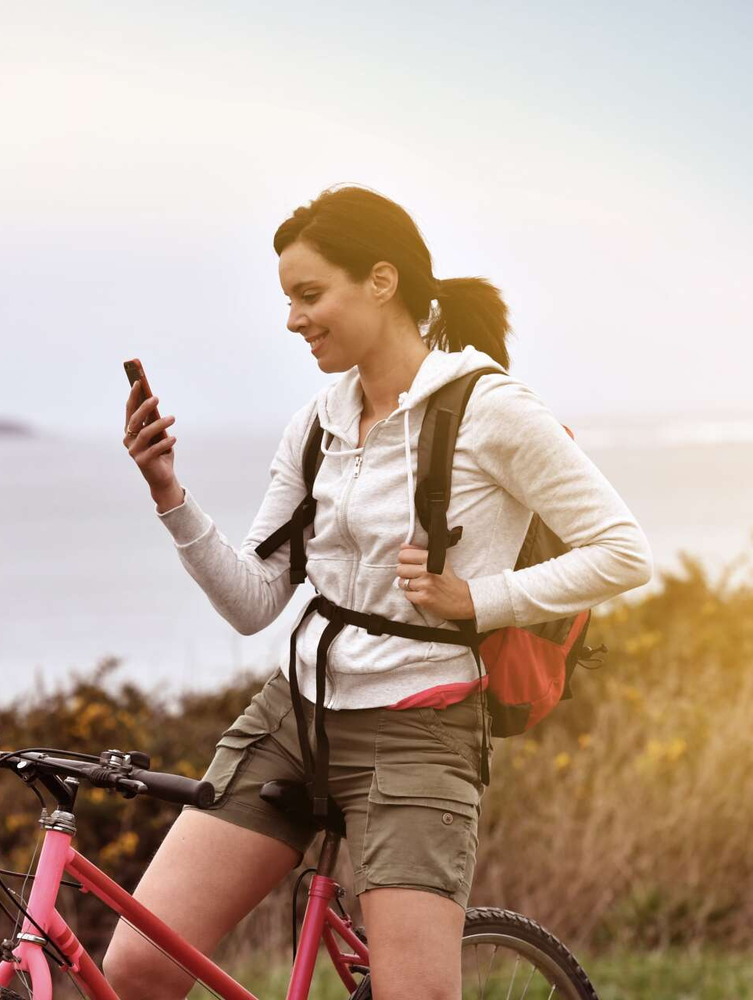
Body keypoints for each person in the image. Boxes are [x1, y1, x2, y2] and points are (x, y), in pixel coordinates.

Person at [109, 184, 653, 1000]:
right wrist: (168, 494)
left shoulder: (489, 409)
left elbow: (623, 551)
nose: (294, 319)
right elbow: (256, 601)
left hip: (419, 733)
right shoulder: (317, 423)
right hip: (294, 719)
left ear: (382, 281)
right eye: (288, 299)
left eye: (309, 294)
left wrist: (478, 601)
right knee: (140, 966)